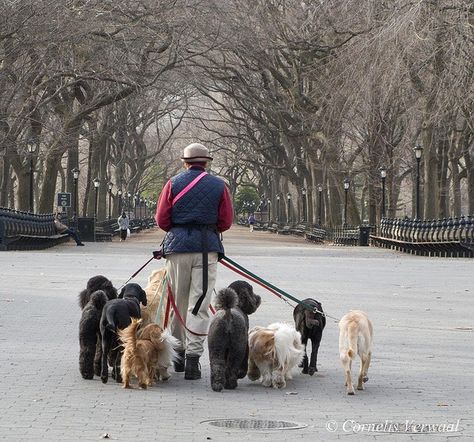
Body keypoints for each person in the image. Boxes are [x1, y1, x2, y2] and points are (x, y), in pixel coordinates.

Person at [155, 143, 233, 380]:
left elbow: (161, 219)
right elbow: (226, 221)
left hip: (177, 248)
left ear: (185, 163)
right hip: (206, 248)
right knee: (199, 303)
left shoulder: (172, 184)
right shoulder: (220, 186)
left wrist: (179, 229)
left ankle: (177, 354)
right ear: (206, 163)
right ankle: (193, 361)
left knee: (177, 303)